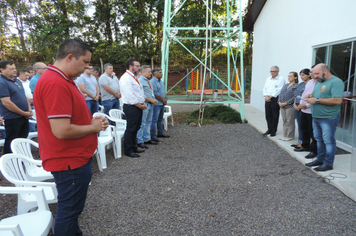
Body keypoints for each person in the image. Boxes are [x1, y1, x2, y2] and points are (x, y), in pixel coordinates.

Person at [33, 38, 109, 235]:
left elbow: (68, 119)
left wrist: (93, 122)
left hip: (72, 158)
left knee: (72, 210)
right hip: (68, 160)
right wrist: (93, 128)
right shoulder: (55, 82)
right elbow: (61, 130)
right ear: (70, 57)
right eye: (85, 61)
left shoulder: (63, 79)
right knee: (69, 211)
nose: (87, 67)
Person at [305, 63, 344, 171]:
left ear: (325, 71)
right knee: (319, 139)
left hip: (328, 117)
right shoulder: (319, 82)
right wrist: (311, 96)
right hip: (316, 116)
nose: (315, 76)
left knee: (328, 141)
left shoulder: (336, 82)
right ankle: (320, 159)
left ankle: (328, 163)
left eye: (317, 73)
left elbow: (337, 100)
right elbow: (320, 95)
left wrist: (317, 100)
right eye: (314, 73)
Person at [0, 60, 32, 154]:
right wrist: (23, 113)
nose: (14, 70)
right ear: (2, 70)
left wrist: (29, 109)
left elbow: (23, 96)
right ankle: (9, 165)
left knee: (22, 141)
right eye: (11, 69)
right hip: (13, 118)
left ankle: (22, 162)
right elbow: (7, 103)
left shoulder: (17, 80)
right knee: (12, 142)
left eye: (15, 68)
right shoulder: (2, 83)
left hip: (24, 116)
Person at [119, 59, 146, 158]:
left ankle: (133, 146)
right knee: (131, 128)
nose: (139, 68)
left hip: (138, 105)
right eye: (137, 66)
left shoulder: (133, 77)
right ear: (131, 66)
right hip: (131, 106)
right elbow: (129, 95)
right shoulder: (126, 78)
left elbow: (138, 92)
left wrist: (142, 102)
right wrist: (140, 105)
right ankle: (128, 150)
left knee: (136, 127)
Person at [294, 69, 318, 159]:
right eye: (311, 72)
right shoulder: (310, 82)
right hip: (304, 110)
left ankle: (313, 150)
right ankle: (305, 145)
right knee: (304, 129)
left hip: (311, 111)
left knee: (313, 132)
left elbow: (315, 96)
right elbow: (304, 94)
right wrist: (301, 104)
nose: (311, 74)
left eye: (312, 72)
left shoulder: (318, 83)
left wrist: (306, 105)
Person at [136, 65, 158, 149]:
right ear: (143, 72)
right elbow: (141, 94)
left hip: (150, 103)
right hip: (145, 104)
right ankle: (140, 141)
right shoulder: (140, 80)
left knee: (148, 122)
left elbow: (149, 91)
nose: (150, 73)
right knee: (142, 123)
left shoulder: (147, 80)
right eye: (149, 72)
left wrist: (153, 99)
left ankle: (147, 138)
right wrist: (150, 100)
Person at [262, 66, 285, 137]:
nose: (272, 73)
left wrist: (271, 96)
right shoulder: (268, 79)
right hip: (267, 98)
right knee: (268, 115)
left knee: (275, 115)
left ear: (277, 71)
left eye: (273, 71)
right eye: (271, 71)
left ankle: (274, 130)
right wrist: (266, 96)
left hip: (275, 98)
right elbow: (265, 88)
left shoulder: (281, 79)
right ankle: (269, 129)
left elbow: (279, 89)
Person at [150, 68, 170, 142]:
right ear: (155, 73)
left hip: (162, 103)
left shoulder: (161, 82)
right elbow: (155, 93)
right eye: (160, 72)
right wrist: (163, 100)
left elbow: (164, 91)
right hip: (156, 104)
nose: (162, 74)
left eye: (161, 72)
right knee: (154, 119)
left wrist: (165, 98)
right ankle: (153, 135)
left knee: (160, 119)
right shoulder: (152, 82)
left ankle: (160, 133)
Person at [291, 69, 310, 148]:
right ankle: (300, 141)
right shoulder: (301, 84)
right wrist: (295, 104)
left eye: (303, 75)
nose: (301, 77)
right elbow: (296, 94)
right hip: (297, 104)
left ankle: (304, 142)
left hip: (304, 106)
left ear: (309, 75)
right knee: (299, 124)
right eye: (301, 75)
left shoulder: (310, 84)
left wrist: (299, 106)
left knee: (304, 125)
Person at [277, 72, 298, 141]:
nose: (289, 77)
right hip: (282, 105)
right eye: (288, 76)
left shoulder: (296, 86)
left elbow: (294, 97)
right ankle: (285, 134)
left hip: (290, 106)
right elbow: (280, 94)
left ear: (295, 77)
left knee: (290, 121)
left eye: (291, 76)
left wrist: (286, 103)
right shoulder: (286, 85)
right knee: (284, 120)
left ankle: (290, 135)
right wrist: (279, 102)